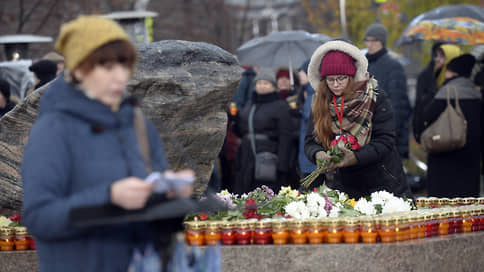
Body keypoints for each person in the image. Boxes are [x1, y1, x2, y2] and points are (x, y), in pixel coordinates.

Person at [21, 16, 193, 272]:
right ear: (79, 69)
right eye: (107, 66)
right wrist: (110, 197)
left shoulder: (137, 124)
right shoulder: (53, 129)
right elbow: (39, 218)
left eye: (124, 65)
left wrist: (168, 193)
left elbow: (148, 214)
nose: (120, 77)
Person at [304, 40, 413, 199]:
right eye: (330, 79)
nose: (335, 84)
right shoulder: (320, 102)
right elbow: (309, 142)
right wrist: (318, 154)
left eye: (341, 78)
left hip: (383, 183)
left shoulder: (374, 97)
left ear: (352, 76)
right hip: (346, 185)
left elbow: (385, 140)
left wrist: (355, 157)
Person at [416, 54, 481, 197]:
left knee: (444, 200)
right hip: (470, 158)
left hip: (446, 154)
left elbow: (427, 115)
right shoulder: (476, 92)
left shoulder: (448, 90)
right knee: (466, 202)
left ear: (454, 72)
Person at [231, 68, 292, 194]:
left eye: (265, 83)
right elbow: (241, 131)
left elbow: (285, 136)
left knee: (265, 193)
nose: (261, 86)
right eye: (259, 83)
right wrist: (235, 119)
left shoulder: (280, 106)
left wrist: (282, 165)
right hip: (246, 156)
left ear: (273, 86)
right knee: (244, 193)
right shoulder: (250, 104)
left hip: (268, 157)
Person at [364, 23, 411, 159]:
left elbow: (399, 105)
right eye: (367, 40)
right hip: (366, 133)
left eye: (374, 40)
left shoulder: (394, 66)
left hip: (386, 134)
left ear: (382, 42)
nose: (369, 44)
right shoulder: (362, 66)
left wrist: (389, 133)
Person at [413, 44, 461, 142]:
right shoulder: (430, 76)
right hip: (434, 134)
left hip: (453, 136)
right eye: (436, 56)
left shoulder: (458, 82)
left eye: (442, 57)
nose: (437, 59)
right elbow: (420, 105)